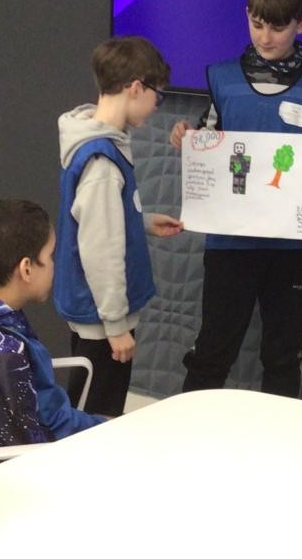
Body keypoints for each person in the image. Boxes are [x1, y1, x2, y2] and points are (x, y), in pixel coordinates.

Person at [169, 0, 302, 397]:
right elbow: (208, 137)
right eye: (256, 24)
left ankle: (279, 437)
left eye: (277, 28)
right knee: (212, 350)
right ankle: (189, 431)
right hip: (230, 241)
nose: (265, 37)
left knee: (283, 356)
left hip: (295, 247)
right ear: (246, 16)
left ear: (301, 24)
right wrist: (187, 138)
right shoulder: (223, 78)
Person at [56, 36, 184, 417]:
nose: (156, 106)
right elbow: (100, 250)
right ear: (136, 88)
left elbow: (99, 222)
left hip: (100, 316)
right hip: (102, 320)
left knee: (98, 409)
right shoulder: (102, 163)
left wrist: (141, 222)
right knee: (95, 417)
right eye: (157, 96)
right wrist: (115, 326)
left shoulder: (99, 142)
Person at [0, 198, 106, 446]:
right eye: (50, 256)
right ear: (27, 269)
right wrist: (108, 428)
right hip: (47, 451)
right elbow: (32, 439)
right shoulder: (2, 349)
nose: (54, 265)